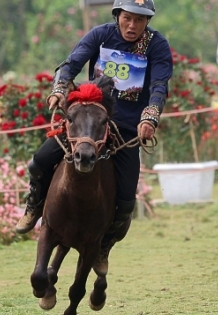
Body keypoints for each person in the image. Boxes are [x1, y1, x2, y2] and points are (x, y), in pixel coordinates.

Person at [15, 0, 173, 240]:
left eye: (139, 20)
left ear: (147, 21)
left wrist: (150, 117)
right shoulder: (100, 35)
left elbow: (159, 85)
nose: (132, 25)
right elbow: (71, 64)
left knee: (127, 200)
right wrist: (59, 88)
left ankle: (104, 246)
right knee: (39, 163)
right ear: (117, 15)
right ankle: (34, 207)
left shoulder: (157, 45)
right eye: (127, 18)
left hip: (127, 127)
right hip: (88, 121)